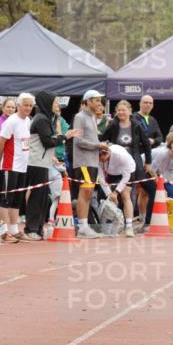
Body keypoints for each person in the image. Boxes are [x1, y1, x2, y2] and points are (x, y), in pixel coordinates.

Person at [25, 92, 81, 240]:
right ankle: (31, 228)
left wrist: (53, 157)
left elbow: (49, 142)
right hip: (36, 163)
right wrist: (65, 136)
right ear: (47, 103)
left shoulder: (45, 118)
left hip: (44, 162)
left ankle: (37, 228)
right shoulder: (42, 119)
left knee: (43, 197)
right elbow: (48, 142)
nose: (58, 105)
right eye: (55, 102)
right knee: (37, 197)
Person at [101, 99, 155, 228]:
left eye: (124, 110)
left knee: (128, 192)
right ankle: (117, 222)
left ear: (130, 111)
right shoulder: (113, 125)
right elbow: (102, 139)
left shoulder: (136, 125)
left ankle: (132, 223)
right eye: (119, 110)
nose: (121, 112)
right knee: (116, 193)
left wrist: (148, 162)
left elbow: (146, 143)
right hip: (115, 163)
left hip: (132, 163)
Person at [0, 93, 34, 243]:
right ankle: (3, 232)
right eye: (26, 105)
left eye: (31, 106)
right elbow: (0, 142)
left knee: (17, 200)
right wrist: (0, 160)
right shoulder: (11, 121)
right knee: (6, 199)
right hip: (9, 166)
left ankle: (14, 230)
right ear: (19, 105)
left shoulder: (28, 121)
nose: (28, 108)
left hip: (22, 166)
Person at [72, 90, 105, 238]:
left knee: (89, 193)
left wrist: (100, 148)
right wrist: (98, 146)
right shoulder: (80, 117)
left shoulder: (92, 117)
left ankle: (84, 226)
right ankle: (82, 227)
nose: (99, 103)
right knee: (85, 193)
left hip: (92, 161)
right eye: (96, 100)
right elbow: (78, 141)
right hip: (83, 162)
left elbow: (91, 140)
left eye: (100, 100)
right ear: (88, 101)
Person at [133, 94, 163, 225]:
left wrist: (152, 141)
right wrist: (145, 141)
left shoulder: (152, 120)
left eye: (150, 103)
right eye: (145, 102)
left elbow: (160, 138)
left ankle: (147, 220)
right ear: (140, 103)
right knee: (129, 191)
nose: (148, 105)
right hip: (134, 159)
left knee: (149, 191)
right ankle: (128, 220)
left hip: (148, 160)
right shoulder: (133, 117)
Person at [98, 143, 137, 237]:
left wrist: (116, 192)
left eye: (104, 155)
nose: (101, 158)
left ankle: (129, 226)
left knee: (125, 195)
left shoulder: (120, 156)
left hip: (127, 171)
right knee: (110, 198)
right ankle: (112, 226)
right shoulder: (97, 158)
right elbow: (101, 178)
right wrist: (109, 194)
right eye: (99, 156)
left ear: (108, 152)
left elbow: (126, 176)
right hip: (111, 172)